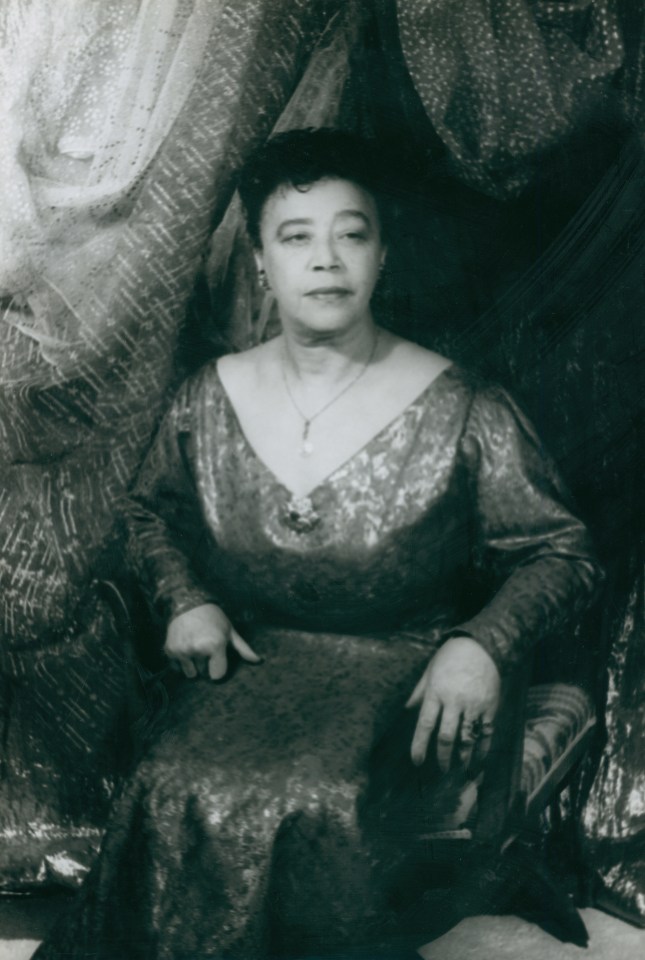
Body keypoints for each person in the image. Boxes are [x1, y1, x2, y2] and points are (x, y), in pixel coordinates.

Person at [35, 129, 601, 959]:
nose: (326, 259)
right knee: (171, 785)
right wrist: (183, 598)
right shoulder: (206, 397)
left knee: (314, 797)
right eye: (296, 236)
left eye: (352, 233)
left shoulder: (464, 407)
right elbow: (144, 515)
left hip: (401, 666)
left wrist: (481, 642)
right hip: (259, 663)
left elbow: (564, 550)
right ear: (262, 261)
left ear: (382, 256)